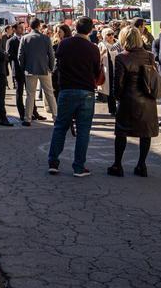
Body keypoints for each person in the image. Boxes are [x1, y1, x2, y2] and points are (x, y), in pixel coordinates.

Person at [47, 17, 103, 177]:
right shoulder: (93, 48)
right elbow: (96, 71)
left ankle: (53, 162)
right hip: (86, 91)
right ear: (91, 30)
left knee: (60, 127)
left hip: (67, 89)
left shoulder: (64, 44)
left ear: (75, 28)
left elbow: (59, 62)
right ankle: (79, 166)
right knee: (83, 130)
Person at [106, 26, 161, 177]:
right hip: (148, 100)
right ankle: (141, 165)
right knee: (145, 133)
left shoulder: (121, 57)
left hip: (128, 99)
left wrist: (117, 97)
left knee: (121, 133)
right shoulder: (149, 56)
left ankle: (118, 165)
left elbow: (118, 83)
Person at [19, 18, 55, 120]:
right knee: (49, 94)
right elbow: (51, 56)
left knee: (30, 95)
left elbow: (20, 56)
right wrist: (51, 68)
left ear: (29, 26)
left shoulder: (25, 38)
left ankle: (27, 118)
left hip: (30, 70)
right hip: (44, 69)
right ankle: (56, 116)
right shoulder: (46, 38)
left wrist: (24, 68)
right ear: (39, 26)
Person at [6, 23, 30, 122]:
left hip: (28, 70)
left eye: (23, 28)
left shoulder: (26, 39)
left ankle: (33, 112)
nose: (22, 29)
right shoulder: (11, 41)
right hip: (18, 70)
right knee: (19, 92)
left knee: (30, 92)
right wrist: (19, 56)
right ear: (14, 29)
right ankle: (21, 113)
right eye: (20, 28)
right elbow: (9, 55)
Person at [98, 28, 123, 113]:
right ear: (104, 35)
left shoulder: (117, 43)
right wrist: (102, 53)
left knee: (119, 88)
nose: (111, 36)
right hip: (108, 70)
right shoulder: (102, 45)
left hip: (118, 69)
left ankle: (120, 108)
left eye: (112, 34)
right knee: (110, 91)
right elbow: (97, 59)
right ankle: (113, 110)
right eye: (109, 34)